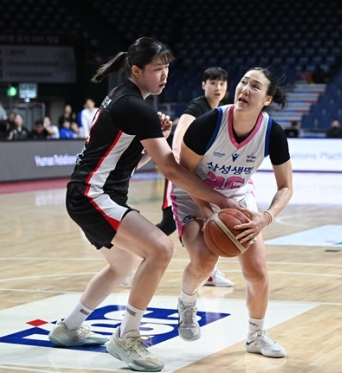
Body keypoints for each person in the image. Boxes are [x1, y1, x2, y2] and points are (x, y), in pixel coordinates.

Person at [48, 37, 239, 372]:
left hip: (88, 193)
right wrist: (220, 199)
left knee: (121, 267)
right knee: (161, 249)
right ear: (136, 70)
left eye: (166, 67)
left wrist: (154, 139)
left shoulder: (123, 98)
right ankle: (127, 336)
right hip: (93, 195)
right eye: (156, 68)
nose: (164, 75)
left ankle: (69, 327)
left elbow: (126, 162)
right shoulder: (135, 107)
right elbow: (171, 169)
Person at [172, 67, 293, 358]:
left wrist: (266, 217)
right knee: (204, 261)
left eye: (255, 87)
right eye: (243, 83)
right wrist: (206, 208)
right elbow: (182, 171)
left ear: (266, 99)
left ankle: (256, 336)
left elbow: (286, 187)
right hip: (192, 193)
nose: (245, 89)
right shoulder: (210, 122)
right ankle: (186, 302)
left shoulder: (272, 132)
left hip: (237, 198)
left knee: (257, 272)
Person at [156, 66, 233, 287]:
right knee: (170, 222)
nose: (217, 88)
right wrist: (179, 169)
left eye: (221, 84)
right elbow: (179, 137)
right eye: (213, 83)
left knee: (208, 221)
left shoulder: (219, 110)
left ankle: (209, 271)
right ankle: (130, 249)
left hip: (202, 177)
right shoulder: (197, 107)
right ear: (204, 85)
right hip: (183, 175)